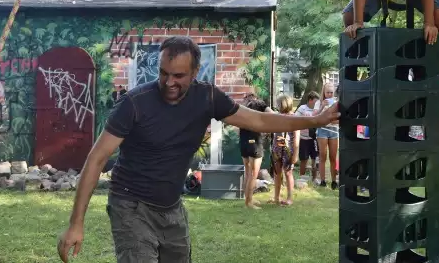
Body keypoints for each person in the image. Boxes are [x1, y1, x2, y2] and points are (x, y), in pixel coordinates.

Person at [57, 36, 340, 263]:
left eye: (178, 75)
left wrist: (316, 119)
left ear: (195, 71)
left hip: (170, 207)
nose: (169, 83)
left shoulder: (207, 97)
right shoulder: (134, 103)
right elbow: (97, 159)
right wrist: (75, 223)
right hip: (130, 205)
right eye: (163, 73)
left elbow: (258, 119)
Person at [239, 93, 273, 209]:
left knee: (247, 173)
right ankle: (249, 203)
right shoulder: (260, 104)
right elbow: (272, 115)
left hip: (243, 142)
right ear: (255, 98)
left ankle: (248, 199)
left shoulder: (242, 107)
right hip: (254, 142)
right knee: (253, 174)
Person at [268, 94, 300, 206]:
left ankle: (289, 198)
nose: (277, 106)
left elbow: (296, 137)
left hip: (288, 150)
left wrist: (295, 154)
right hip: (277, 149)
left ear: (284, 104)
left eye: (278, 104)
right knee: (277, 173)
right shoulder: (277, 116)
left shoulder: (294, 118)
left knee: (288, 173)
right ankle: (276, 197)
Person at [315, 83, 339, 189]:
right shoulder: (319, 102)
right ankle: (323, 181)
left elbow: (341, 117)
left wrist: (336, 122)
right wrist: (322, 107)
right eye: (327, 92)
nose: (329, 94)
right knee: (322, 156)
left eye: (331, 92)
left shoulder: (337, 102)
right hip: (322, 130)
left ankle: (334, 181)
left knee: (333, 157)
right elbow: (313, 117)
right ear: (323, 93)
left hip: (334, 130)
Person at [294, 91, 320, 183]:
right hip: (304, 139)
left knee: (315, 158)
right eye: (315, 102)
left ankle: (314, 178)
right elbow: (295, 119)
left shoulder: (318, 110)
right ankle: (301, 178)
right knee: (304, 159)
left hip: (315, 139)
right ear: (310, 100)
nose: (317, 104)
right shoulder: (302, 108)